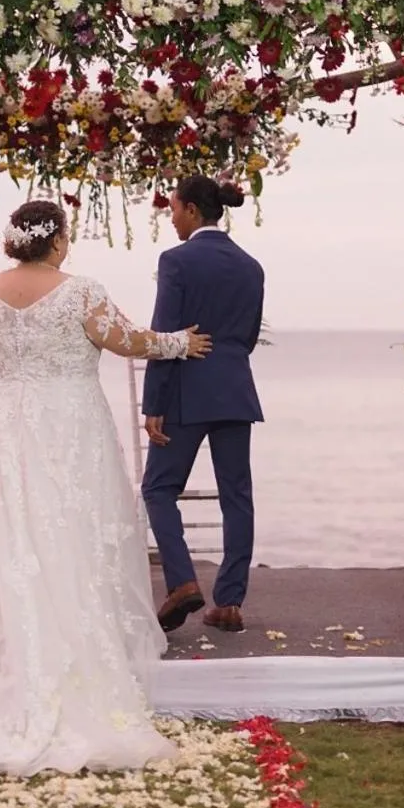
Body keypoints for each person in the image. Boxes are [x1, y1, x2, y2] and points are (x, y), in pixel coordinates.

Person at [0, 200, 211, 778]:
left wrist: (11, 354)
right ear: (55, 241)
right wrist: (179, 343)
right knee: (70, 527)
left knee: (4, 529)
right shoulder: (81, 291)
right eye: (66, 235)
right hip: (69, 423)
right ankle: (71, 649)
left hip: (5, 422)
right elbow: (124, 339)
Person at [141, 176, 265, 635]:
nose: (171, 217)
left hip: (184, 390)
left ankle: (182, 583)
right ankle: (229, 603)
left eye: (173, 208)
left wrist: (154, 402)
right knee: (237, 496)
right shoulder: (252, 266)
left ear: (192, 209)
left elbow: (165, 334)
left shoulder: (176, 261)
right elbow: (247, 337)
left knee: (158, 488)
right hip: (235, 389)